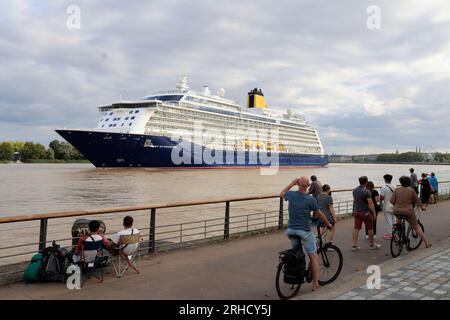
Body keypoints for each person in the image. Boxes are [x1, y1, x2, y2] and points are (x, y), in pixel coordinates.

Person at [280, 176, 333, 291]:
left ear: (298, 184)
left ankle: (295, 279)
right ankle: (315, 284)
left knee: (296, 255)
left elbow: (282, 193)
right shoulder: (311, 200)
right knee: (313, 257)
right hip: (304, 232)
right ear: (308, 186)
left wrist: (292, 183)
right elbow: (319, 214)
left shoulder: (291, 195)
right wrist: (328, 224)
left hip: (291, 231)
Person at [390, 176, 431, 248]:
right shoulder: (411, 190)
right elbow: (418, 201)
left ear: (401, 182)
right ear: (409, 182)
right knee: (416, 226)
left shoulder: (397, 190)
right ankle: (427, 243)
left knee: (398, 221)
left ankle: (399, 236)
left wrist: (397, 205)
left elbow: (391, 201)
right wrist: (422, 207)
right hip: (407, 211)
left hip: (396, 210)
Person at [352, 176, 380, 251]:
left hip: (357, 212)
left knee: (356, 228)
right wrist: (374, 213)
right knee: (370, 228)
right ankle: (372, 244)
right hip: (365, 213)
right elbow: (370, 203)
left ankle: (354, 245)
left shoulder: (354, 190)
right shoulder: (367, 191)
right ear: (366, 182)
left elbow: (354, 201)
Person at [379, 174, 395, 240]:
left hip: (387, 206)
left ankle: (391, 234)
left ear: (385, 179)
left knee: (388, 221)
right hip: (393, 205)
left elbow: (382, 198)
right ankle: (395, 233)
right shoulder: (394, 186)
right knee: (394, 219)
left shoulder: (383, 187)